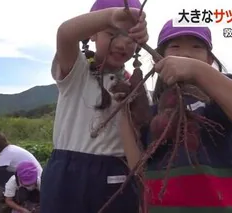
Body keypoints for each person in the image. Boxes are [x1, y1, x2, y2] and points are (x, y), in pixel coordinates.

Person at [118, 20, 232, 212]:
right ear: (158, 60)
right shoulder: (154, 112)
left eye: (196, 47)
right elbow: (137, 165)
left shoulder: (219, 98)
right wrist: (123, 110)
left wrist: (196, 70)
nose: (185, 54)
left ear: (209, 60)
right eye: (175, 47)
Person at [39, 0, 148, 212]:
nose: (121, 44)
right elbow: (65, 33)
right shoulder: (76, 70)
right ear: (92, 35)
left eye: (129, 36)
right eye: (111, 34)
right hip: (66, 176)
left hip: (116, 175)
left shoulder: (135, 87)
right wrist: (110, 16)